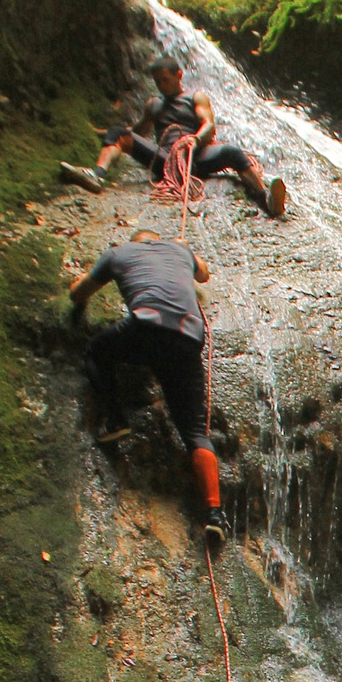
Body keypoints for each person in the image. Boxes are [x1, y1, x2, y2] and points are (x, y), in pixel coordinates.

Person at [69, 228, 231, 551]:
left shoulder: (119, 253)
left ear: (135, 242)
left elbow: (79, 294)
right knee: (196, 431)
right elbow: (205, 274)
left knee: (96, 351)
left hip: (145, 327)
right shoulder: (178, 250)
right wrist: (184, 253)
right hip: (188, 338)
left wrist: (74, 285)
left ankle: (116, 419)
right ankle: (215, 514)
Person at [61, 55, 288, 218]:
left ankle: (266, 199)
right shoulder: (154, 105)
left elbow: (208, 124)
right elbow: (137, 132)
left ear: (178, 75)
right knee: (119, 132)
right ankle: (97, 176)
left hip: (197, 155)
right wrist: (104, 133)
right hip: (166, 161)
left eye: (165, 80)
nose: (161, 86)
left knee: (233, 153)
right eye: (157, 82)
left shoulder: (195, 97)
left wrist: (196, 140)